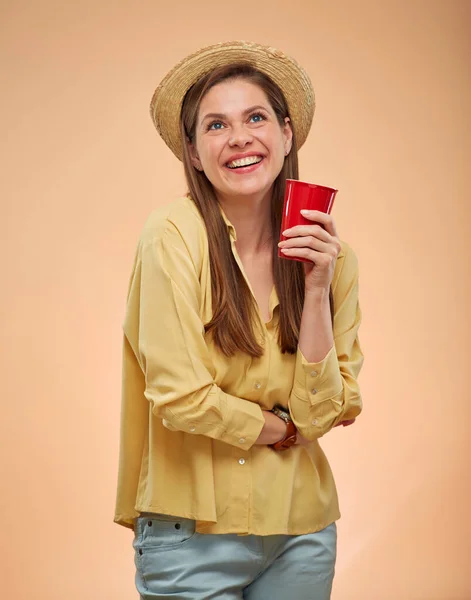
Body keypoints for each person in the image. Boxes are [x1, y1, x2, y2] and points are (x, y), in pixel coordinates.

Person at [114, 40, 364, 600]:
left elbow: (327, 410)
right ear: (196, 153)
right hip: (189, 535)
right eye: (216, 125)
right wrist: (280, 429)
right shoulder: (171, 237)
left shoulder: (333, 258)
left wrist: (318, 290)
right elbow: (179, 396)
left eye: (255, 117)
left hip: (302, 528)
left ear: (286, 134)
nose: (240, 138)